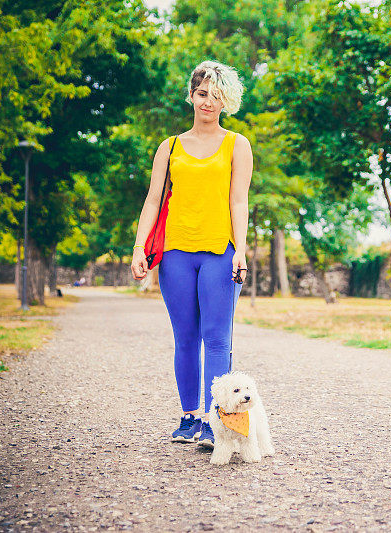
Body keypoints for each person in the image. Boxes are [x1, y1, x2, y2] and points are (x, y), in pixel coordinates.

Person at [130, 60, 252, 450]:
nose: (208, 103)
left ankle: (219, 424)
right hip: (176, 254)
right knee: (185, 338)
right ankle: (190, 418)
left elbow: (239, 201)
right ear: (191, 95)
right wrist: (139, 248)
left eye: (217, 97)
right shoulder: (170, 147)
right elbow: (152, 201)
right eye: (202, 94)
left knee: (216, 339)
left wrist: (242, 251)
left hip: (220, 252)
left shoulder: (238, 145)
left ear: (226, 101)